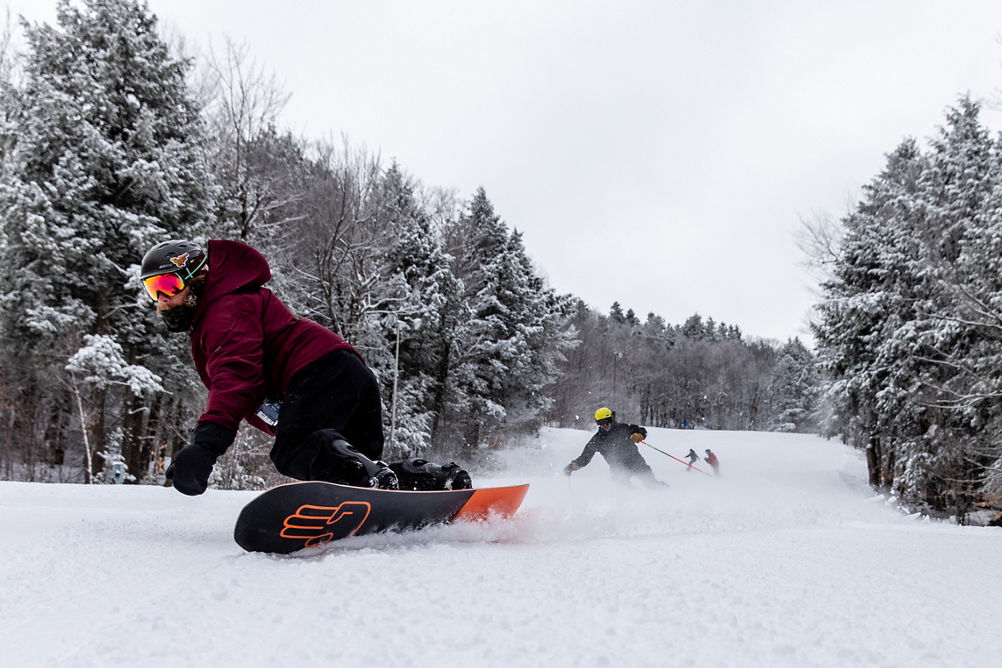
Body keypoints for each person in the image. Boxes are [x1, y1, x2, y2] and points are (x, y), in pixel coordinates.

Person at [140, 239, 471, 495]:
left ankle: (375, 480)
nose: (162, 299)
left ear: (197, 279)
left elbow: (235, 374)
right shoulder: (224, 308)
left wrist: (206, 446)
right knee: (352, 473)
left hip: (319, 370)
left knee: (295, 450)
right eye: (153, 290)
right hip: (347, 373)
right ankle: (434, 480)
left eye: (169, 285)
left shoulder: (223, 309)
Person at [563, 407, 665, 487]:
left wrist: (640, 434)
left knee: (651, 484)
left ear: (611, 419)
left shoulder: (623, 428)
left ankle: (665, 496)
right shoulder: (597, 439)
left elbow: (641, 430)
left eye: (606, 422)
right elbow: (585, 457)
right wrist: (573, 466)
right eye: (600, 423)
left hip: (636, 462)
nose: (604, 425)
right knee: (623, 491)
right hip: (618, 469)